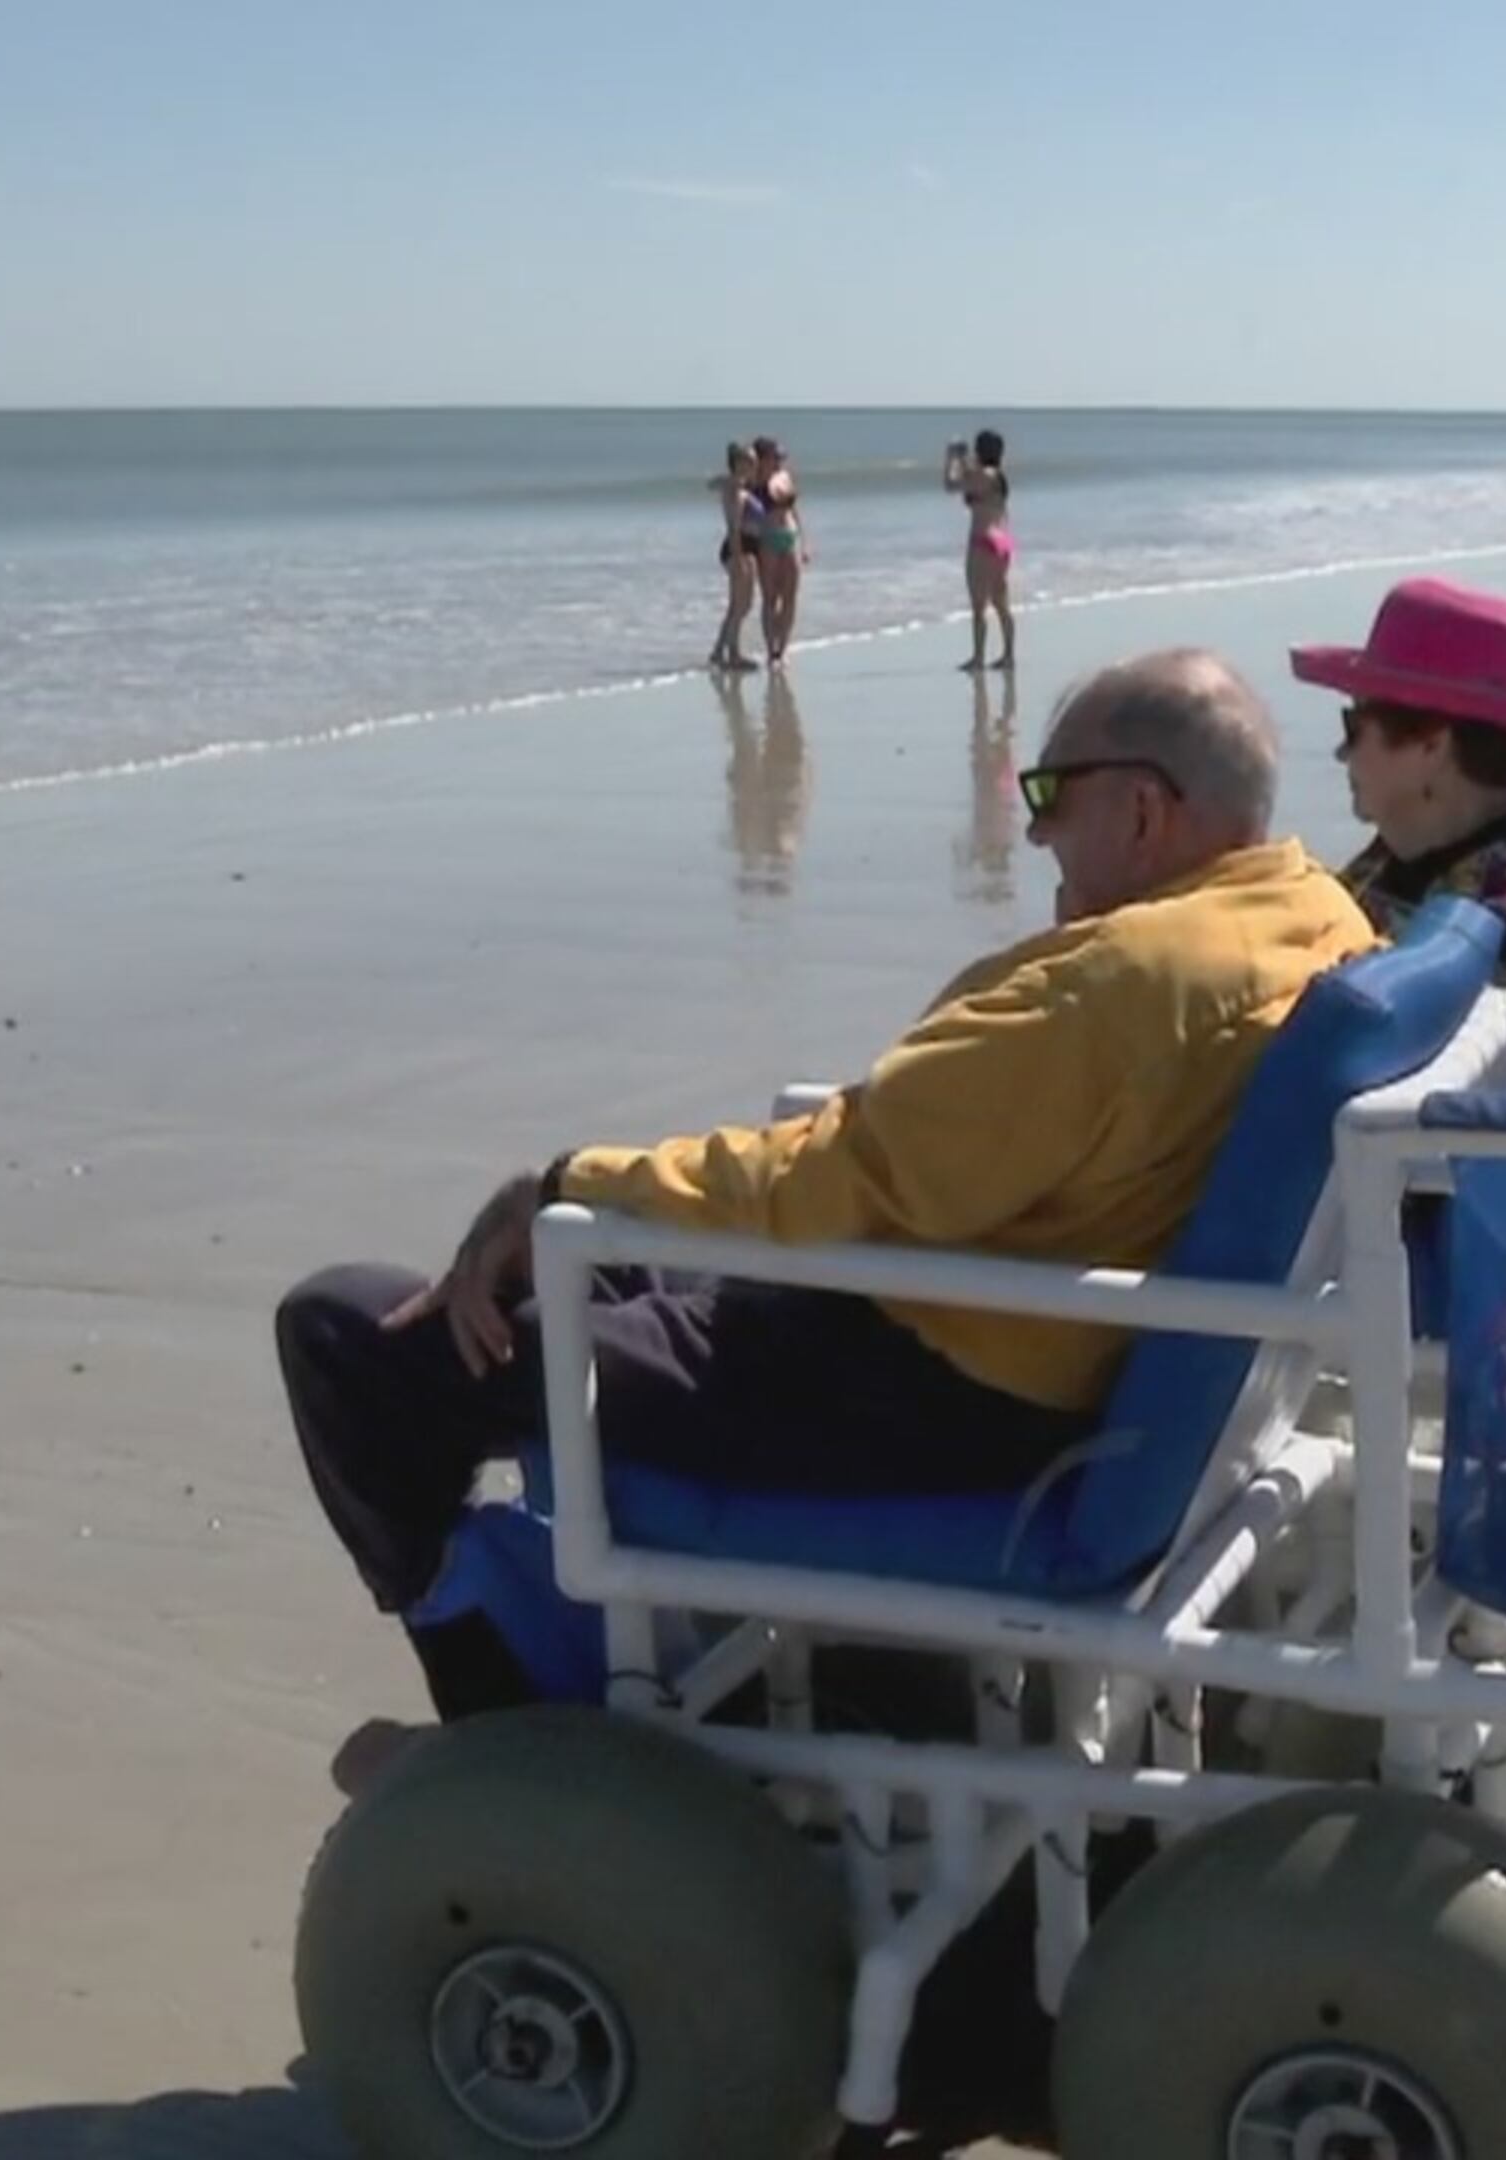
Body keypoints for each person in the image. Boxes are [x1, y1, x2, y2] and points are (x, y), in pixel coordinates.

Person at [278, 650, 1375, 1777]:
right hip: (1042, 1341)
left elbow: (827, 1182)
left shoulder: (1123, 984)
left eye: (1051, 794)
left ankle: (507, 1736)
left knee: (350, 1336)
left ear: (1143, 810)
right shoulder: (1314, 913)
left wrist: (564, 1185)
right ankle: (576, 1640)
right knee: (551, 1290)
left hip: (928, 1382)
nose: (1036, 829)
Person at [1290, 576, 1506, 977]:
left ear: (1431, 746)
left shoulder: (1482, 936)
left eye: (1354, 729)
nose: (1341, 753)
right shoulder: (1420, 848)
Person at [942, 429, 1018, 673]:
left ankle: (978, 657)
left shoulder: (983, 475)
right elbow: (968, 482)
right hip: (1002, 542)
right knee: (1001, 603)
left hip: (982, 543)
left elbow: (950, 484)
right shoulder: (998, 477)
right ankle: (1008, 654)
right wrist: (963, 461)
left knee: (979, 606)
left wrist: (951, 458)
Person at [705, 440, 764, 671]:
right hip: (739, 548)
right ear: (739, 463)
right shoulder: (736, 491)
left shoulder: (739, 486)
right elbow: (734, 526)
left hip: (747, 548)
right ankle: (732, 654)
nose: (755, 464)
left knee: (740, 605)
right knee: (741, 605)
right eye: (750, 461)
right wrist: (739, 558)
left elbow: (712, 483)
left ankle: (720, 651)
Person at [752, 435, 808, 665]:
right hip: (767, 539)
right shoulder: (753, 481)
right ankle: (770, 649)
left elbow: (795, 511)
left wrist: (804, 542)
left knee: (790, 596)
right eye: (775, 457)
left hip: (789, 536)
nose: (779, 461)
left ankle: (783, 648)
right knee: (770, 597)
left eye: (780, 457)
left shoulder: (784, 476)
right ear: (762, 459)